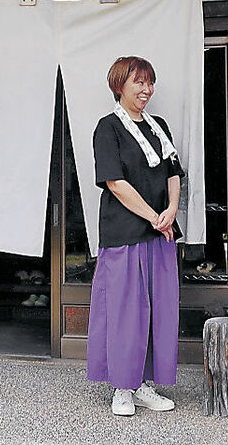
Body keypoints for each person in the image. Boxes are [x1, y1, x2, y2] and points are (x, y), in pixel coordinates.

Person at [86, 55, 185, 417]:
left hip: (160, 232)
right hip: (125, 233)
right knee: (126, 312)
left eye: (149, 82)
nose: (146, 90)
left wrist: (171, 209)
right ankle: (122, 388)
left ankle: (144, 385)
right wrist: (154, 216)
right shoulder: (107, 128)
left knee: (157, 310)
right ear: (119, 85)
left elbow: (174, 171)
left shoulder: (159, 126)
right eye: (138, 82)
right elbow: (115, 182)